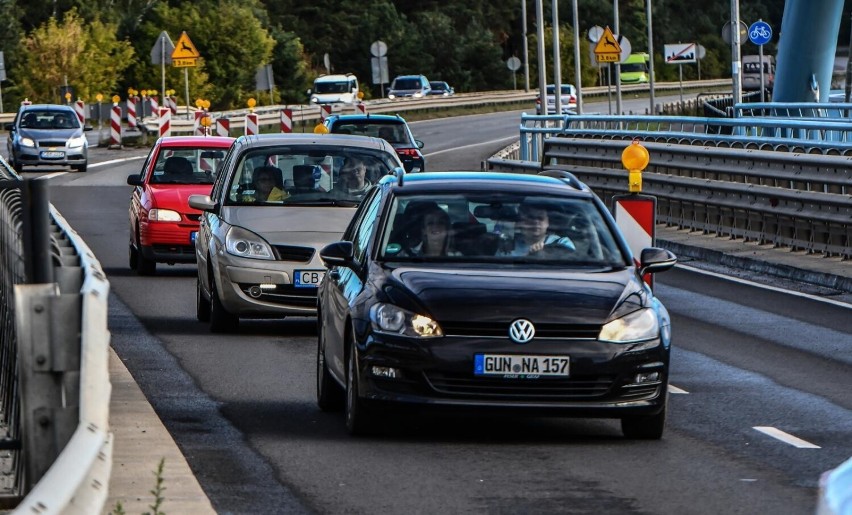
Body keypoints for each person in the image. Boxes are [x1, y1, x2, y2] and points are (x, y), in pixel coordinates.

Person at [502, 202, 575, 256]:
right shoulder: (507, 245)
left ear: (547, 223)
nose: (536, 222)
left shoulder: (562, 243)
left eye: (540, 218)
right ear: (521, 222)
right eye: (531, 218)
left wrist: (542, 255)